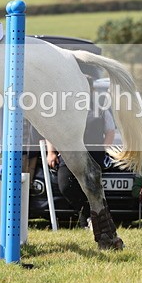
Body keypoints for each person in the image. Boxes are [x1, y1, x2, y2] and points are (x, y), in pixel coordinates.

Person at [45, 78, 117, 227]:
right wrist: (51, 152)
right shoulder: (63, 107)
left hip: (93, 155)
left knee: (90, 187)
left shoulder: (101, 108)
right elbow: (50, 131)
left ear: (92, 90)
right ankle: (87, 214)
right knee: (65, 186)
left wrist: (103, 148)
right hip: (69, 153)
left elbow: (110, 130)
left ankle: (90, 222)